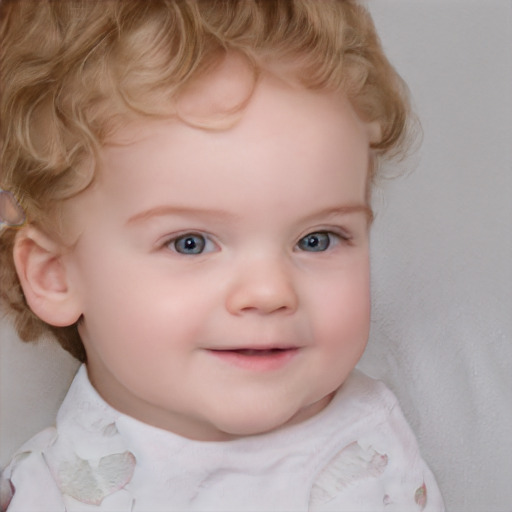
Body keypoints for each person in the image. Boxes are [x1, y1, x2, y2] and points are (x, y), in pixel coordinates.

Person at [0, 0, 445, 510]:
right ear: (55, 276)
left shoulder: (374, 463)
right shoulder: (48, 493)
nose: (270, 291)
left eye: (317, 239)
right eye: (191, 243)